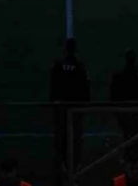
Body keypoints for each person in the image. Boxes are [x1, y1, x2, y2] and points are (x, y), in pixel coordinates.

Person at [50, 38, 91, 186]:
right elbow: (86, 90)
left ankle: (62, 176)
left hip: (61, 111)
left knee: (60, 144)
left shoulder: (58, 65)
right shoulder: (80, 67)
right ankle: (74, 175)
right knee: (75, 144)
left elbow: (53, 89)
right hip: (75, 112)